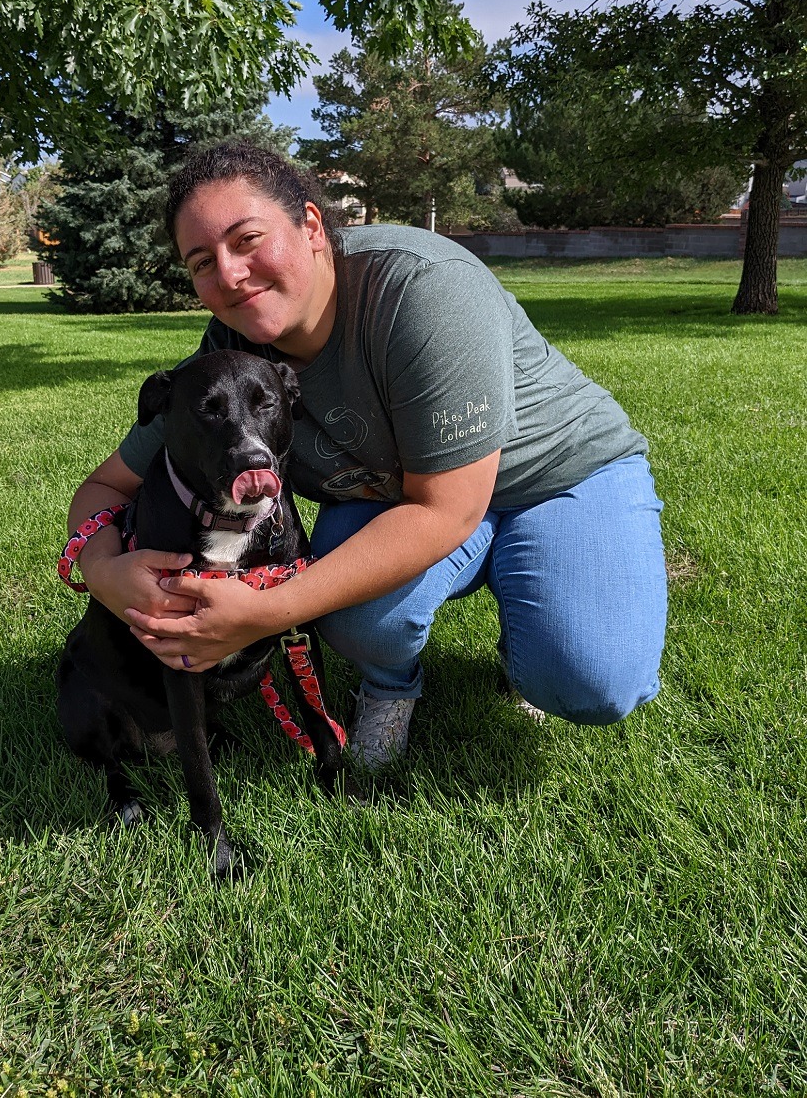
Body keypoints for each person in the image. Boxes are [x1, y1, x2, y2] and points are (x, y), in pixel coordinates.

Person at [66, 142, 667, 769]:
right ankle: (392, 683)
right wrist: (106, 573)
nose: (230, 274)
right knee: (354, 621)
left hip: (558, 475)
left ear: (312, 225)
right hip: (404, 497)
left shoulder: (423, 291)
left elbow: (445, 510)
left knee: (593, 682)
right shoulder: (233, 355)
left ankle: (534, 634)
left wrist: (266, 612)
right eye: (201, 262)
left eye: (247, 239)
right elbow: (106, 487)